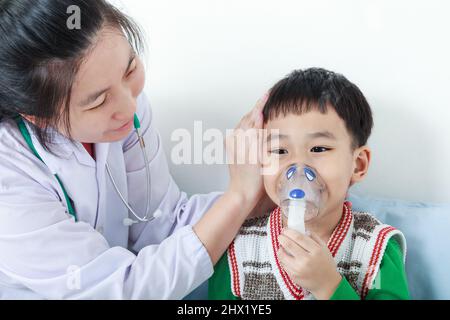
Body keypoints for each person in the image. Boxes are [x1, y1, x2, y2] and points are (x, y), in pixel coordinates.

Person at [0, 0, 269, 299]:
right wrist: (238, 197)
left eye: (130, 71)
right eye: (98, 102)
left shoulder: (126, 110)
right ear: (37, 115)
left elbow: (162, 221)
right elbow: (122, 290)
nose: (129, 105)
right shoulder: (9, 178)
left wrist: (264, 192)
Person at [208, 68, 410, 300]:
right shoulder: (238, 248)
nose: (298, 167)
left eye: (319, 149)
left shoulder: (376, 250)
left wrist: (329, 287)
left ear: (358, 165)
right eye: (280, 150)